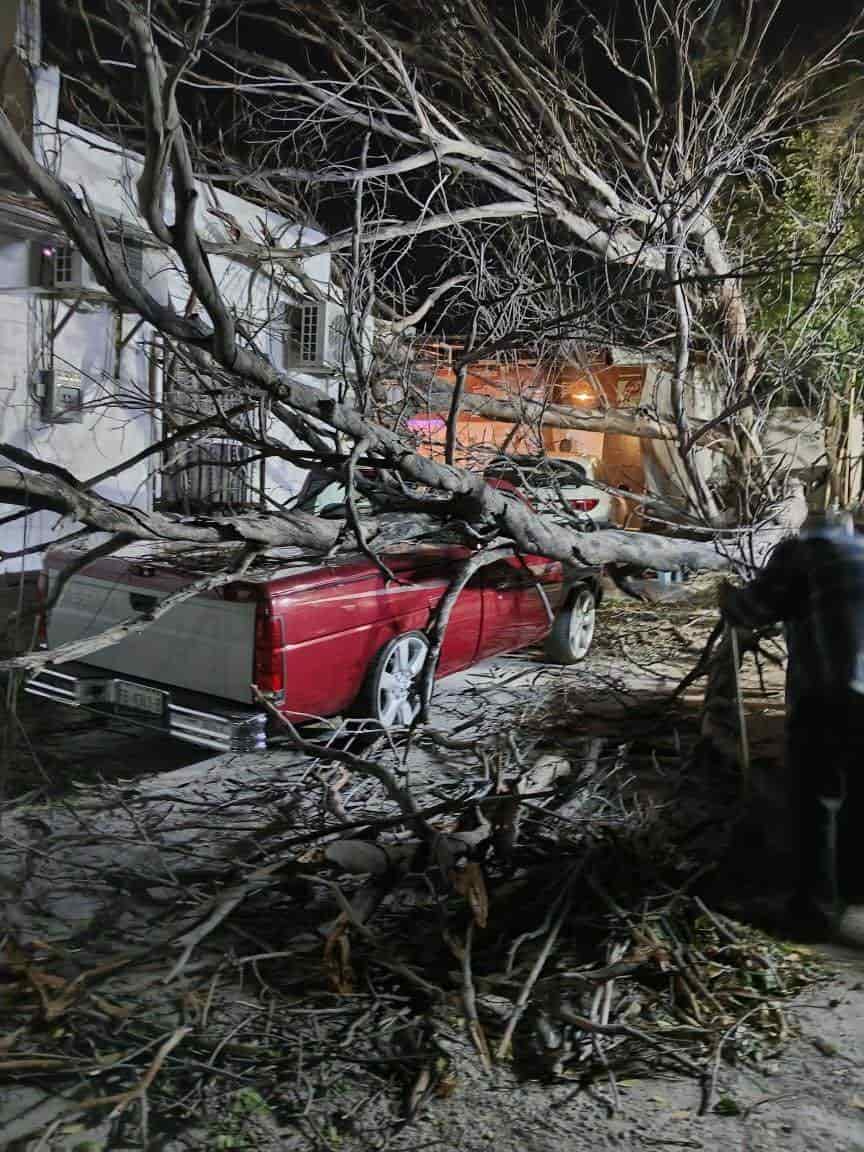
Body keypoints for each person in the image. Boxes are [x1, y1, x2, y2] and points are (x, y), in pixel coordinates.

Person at [719, 510, 864, 937]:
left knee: (816, 798)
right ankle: (854, 889)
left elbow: (751, 609)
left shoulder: (800, 553)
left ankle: (813, 914)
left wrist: (726, 598)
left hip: (835, 693)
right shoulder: (859, 551)